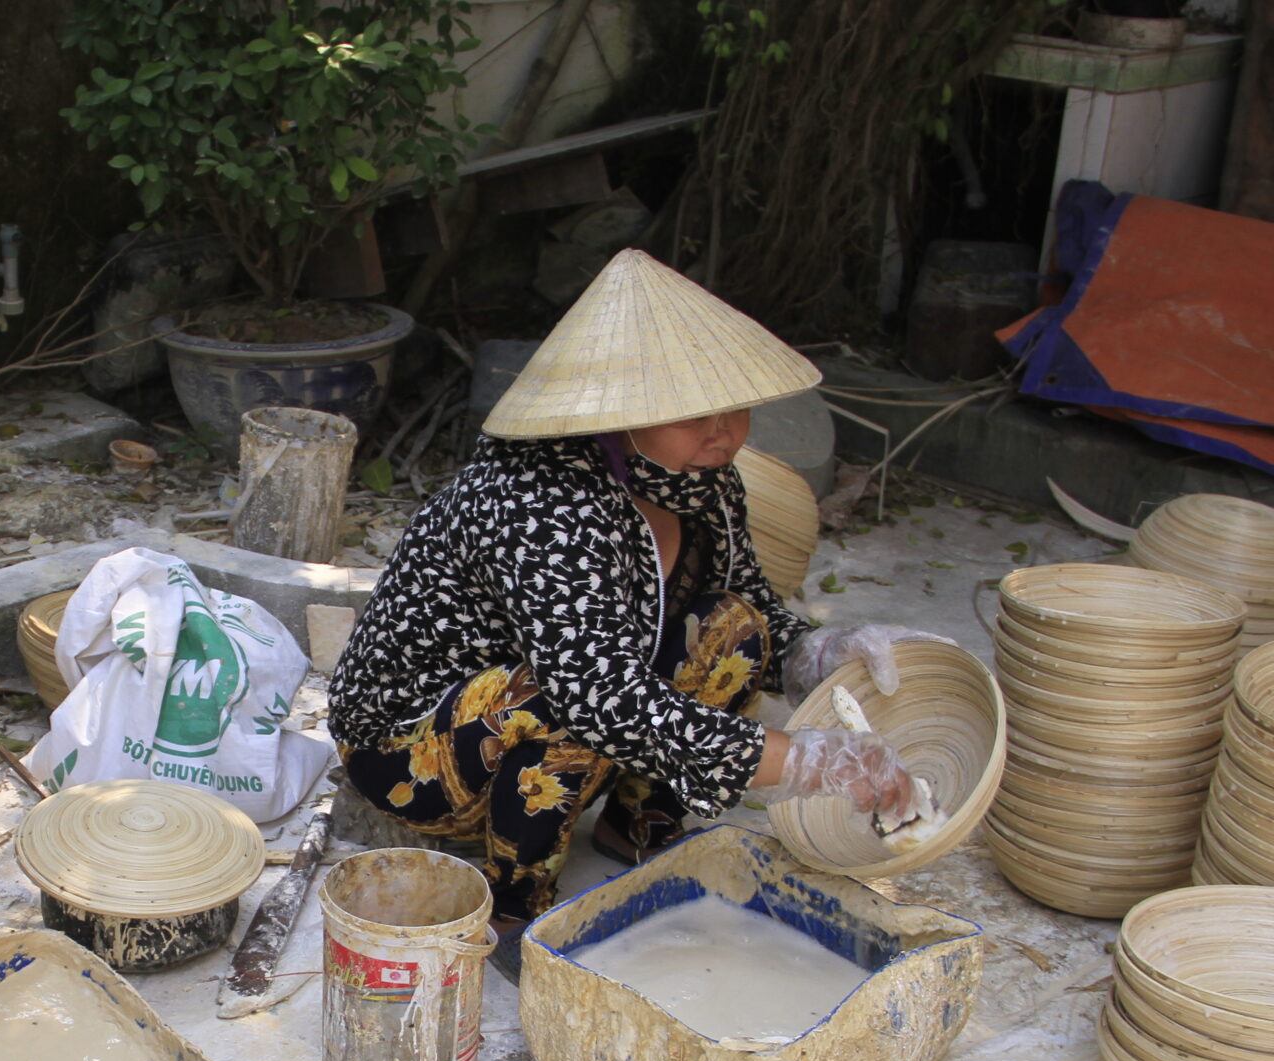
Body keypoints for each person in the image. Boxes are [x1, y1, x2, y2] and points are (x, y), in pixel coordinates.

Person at [330, 249, 938, 931]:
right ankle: (509, 909)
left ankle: (637, 823)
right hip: (412, 745)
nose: (724, 430)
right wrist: (801, 758)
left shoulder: (702, 481)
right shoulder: (537, 497)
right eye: (691, 409)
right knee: (553, 695)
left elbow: (752, 602)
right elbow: (599, 694)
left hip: (571, 696)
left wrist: (824, 653)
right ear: (618, 412)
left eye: (734, 405)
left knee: (736, 628)